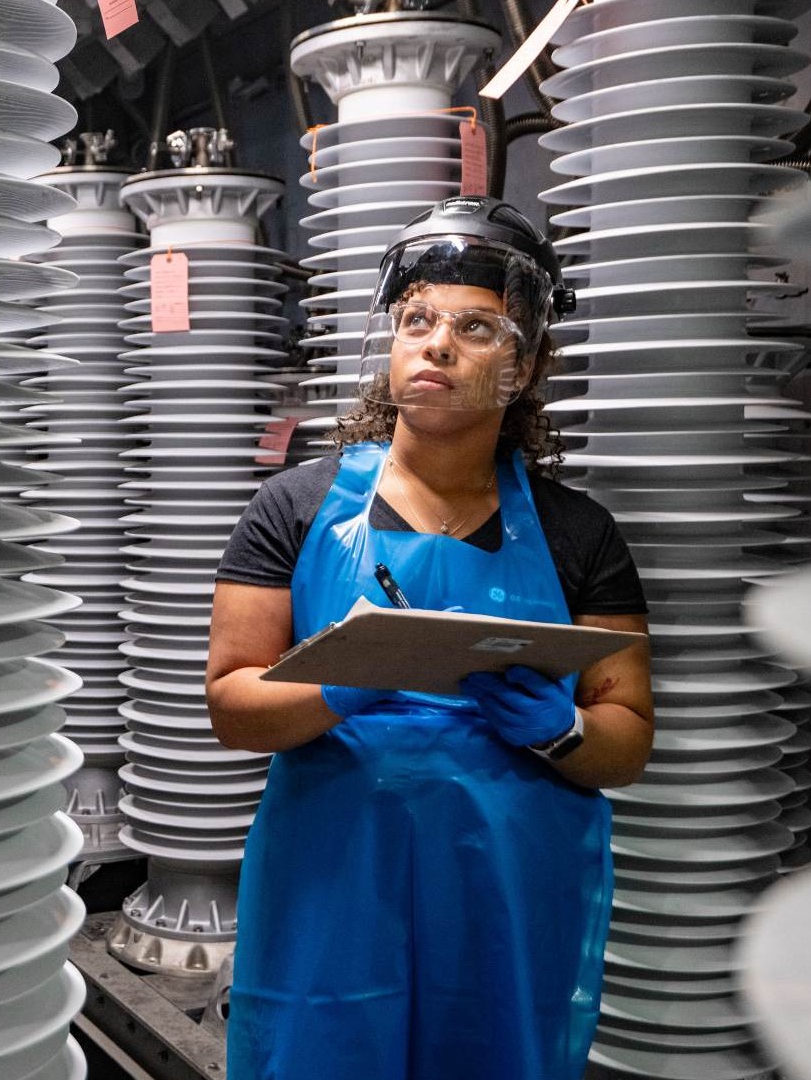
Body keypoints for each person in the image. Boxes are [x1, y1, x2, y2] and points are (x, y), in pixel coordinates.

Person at [207, 196, 654, 1080]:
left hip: (509, 888)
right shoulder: (294, 511)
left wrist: (559, 729)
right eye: (417, 320)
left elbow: (628, 735)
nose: (437, 345)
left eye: (477, 329)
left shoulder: (579, 534)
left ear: (523, 369)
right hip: (337, 876)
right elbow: (232, 703)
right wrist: (340, 686)